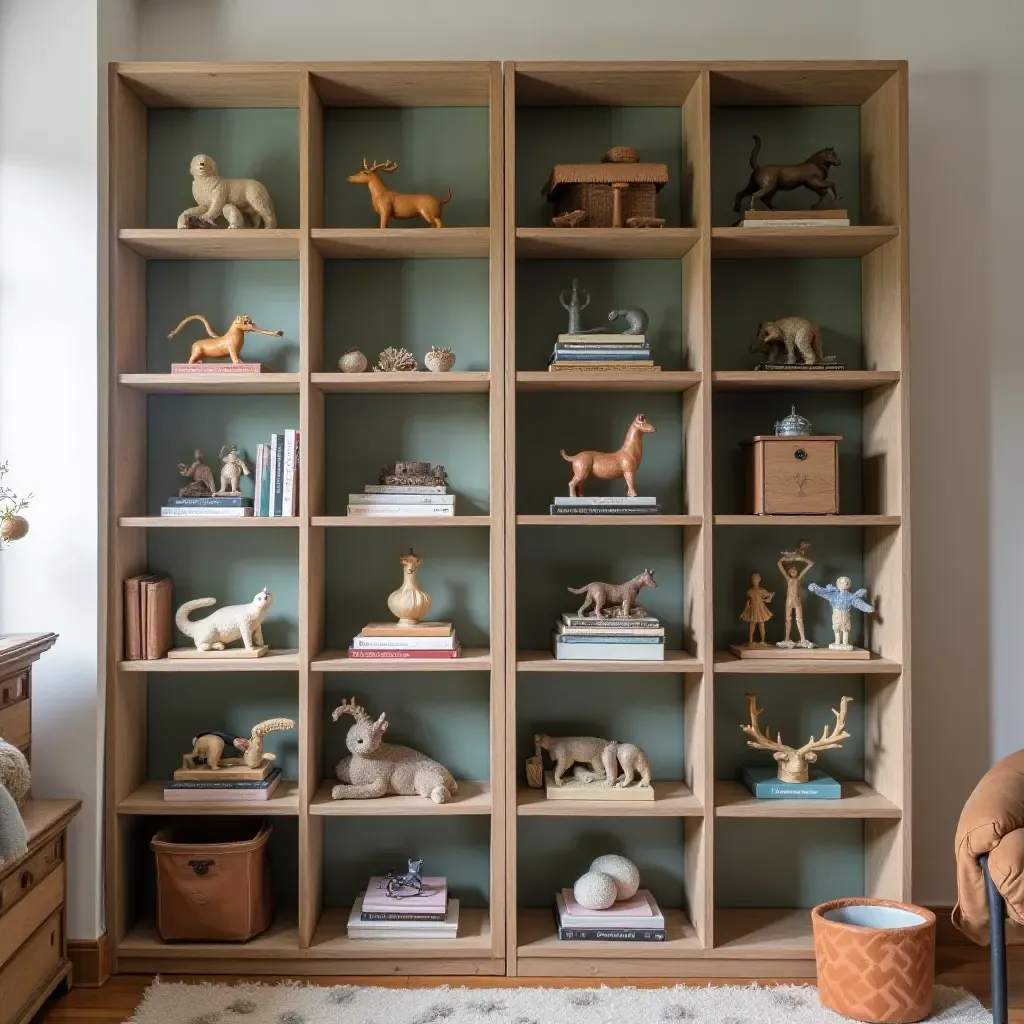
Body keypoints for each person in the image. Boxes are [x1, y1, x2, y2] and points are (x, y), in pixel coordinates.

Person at [740, 572, 774, 646]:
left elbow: (771, 594)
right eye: (753, 579)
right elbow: (748, 603)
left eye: (756, 579)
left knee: (761, 624)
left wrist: (767, 600)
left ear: (759, 579)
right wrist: (744, 612)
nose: (755, 580)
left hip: (761, 608)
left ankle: (762, 640)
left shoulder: (762, 590)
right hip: (753, 609)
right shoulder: (750, 591)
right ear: (751, 580)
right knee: (752, 624)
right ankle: (750, 640)